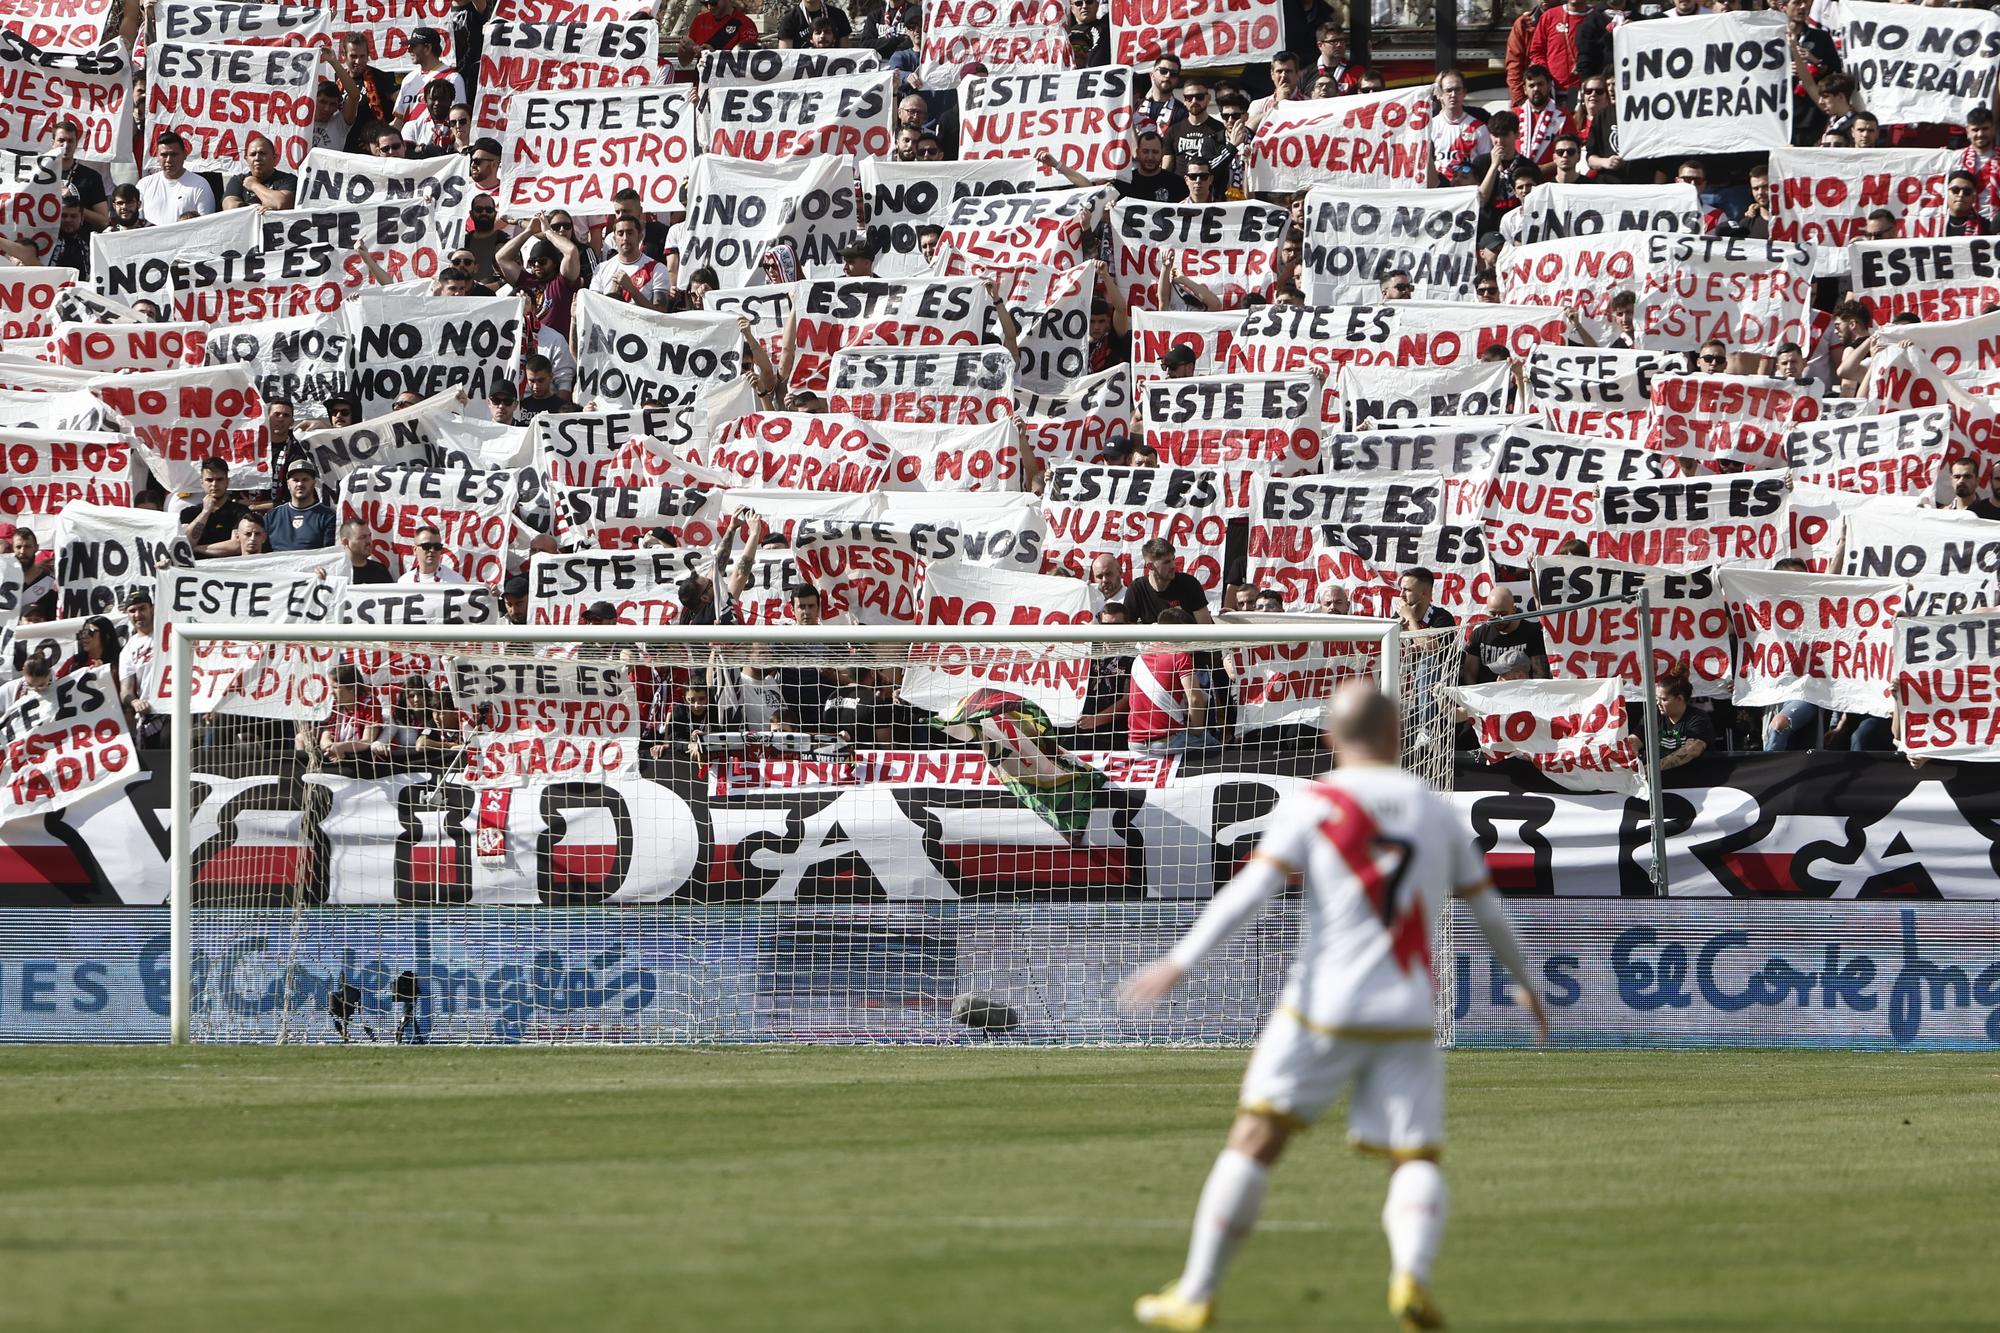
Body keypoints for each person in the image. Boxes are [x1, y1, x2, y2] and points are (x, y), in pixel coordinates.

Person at [1122, 681, 1547, 1332]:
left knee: (1255, 1137)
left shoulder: (1316, 803)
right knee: (1415, 1156)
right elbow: (1488, 908)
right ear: (1398, 736)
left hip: (1322, 1003)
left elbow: (1252, 891)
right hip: (1407, 1009)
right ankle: (1412, 1275)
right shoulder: (1434, 810)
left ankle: (1196, 1292)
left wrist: (1180, 960)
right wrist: (1527, 984)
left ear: (1330, 738)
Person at [1126, 606, 1209, 755]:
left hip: (1135, 743)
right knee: (1214, 747)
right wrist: (1196, 730)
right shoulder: (1180, 656)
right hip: (1167, 741)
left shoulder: (1139, 658)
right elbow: (1195, 699)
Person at [1461, 589, 1548, 683]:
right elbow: (1469, 674)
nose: (1498, 619)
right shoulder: (1480, 634)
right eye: (1493, 614)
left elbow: (1540, 674)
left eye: (1503, 614)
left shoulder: (1532, 633)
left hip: (1521, 693)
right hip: (1486, 695)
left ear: (1513, 610)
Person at [1122, 538, 1212, 624]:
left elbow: (1206, 628)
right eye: (1167, 562)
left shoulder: (1189, 584)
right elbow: (1128, 629)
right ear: (1150, 566)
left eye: (1173, 559)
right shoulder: (1137, 589)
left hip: (1190, 639)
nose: (1173, 566)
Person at [118, 587, 164, 747]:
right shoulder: (127, 650)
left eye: (142, 608)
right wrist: (134, 701)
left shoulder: (171, 632)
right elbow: (126, 690)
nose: (138, 614)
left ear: (152, 608)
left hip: (176, 711)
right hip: (150, 715)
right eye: (132, 610)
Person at [181, 457, 252, 559]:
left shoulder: (241, 512)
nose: (214, 484)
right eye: (209, 480)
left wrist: (196, 548)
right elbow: (185, 543)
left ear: (227, 482)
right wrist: (205, 512)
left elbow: (236, 545)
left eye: (219, 479)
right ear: (202, 482)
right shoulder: (188, 513)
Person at [138, 132, 216, 225]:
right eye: (164, 155)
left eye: (174, 154)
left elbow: (206, 225)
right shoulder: (144, 185)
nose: (168, 160)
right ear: (157, 156)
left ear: (185, 155)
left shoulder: (200, 185)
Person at [265, 459, 337, 551]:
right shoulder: (272, 516)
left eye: (305, 480)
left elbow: (330, 554)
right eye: (295, 480)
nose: (300, 484)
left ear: (314, 483)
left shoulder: (328, 516)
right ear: (288, 484)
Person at [222, 134, 298, 210]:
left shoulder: (288, 180)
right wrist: (256, 209)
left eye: (262, 153)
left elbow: (281, 203)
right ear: (247, 159)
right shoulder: (238, 180)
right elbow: (230, 207)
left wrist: (254, 185)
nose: (257, 158)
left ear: (274, 158)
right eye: (253, 154)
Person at [1655, 674, 1713, 768]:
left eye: (1663, 699)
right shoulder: (1654, 715)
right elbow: (1636, 740)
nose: (1658, 703)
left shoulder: (1698, 718)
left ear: (1679, 699)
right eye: (1657, 699)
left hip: (1691, 779)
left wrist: (1653, 769)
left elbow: (1693, 750)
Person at [339, 519, 394, 583]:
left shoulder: (380, 570)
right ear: (345, 542)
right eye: (362, 537)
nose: (369, 541)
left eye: (369, 536)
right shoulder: (337, 572)